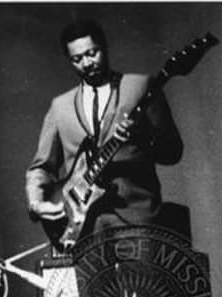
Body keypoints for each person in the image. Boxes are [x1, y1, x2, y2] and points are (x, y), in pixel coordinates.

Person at [25, 20, 183, 239]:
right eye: (77, 59)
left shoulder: (140, 87)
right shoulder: (60, 107)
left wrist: (142, 137)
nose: (87, 63)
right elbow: (41, 167)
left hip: (138, 222)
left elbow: (173, 152)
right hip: (81, 231)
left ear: (105, 47)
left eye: (92, 53)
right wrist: (36, 203)